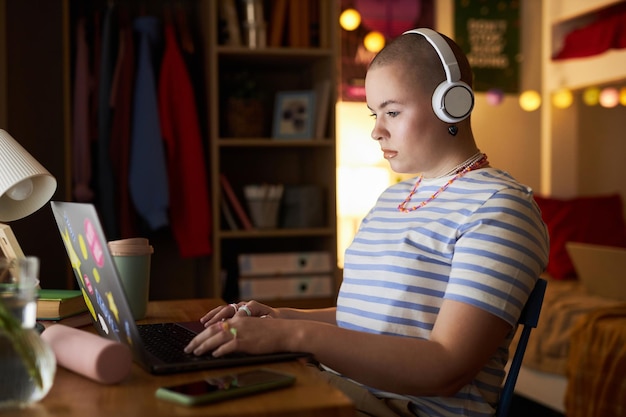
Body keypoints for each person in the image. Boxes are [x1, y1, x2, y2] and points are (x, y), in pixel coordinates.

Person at [185, 28, 549, 417]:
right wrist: (280, 317)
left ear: (452, 105)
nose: (377, 130)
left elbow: (446, 367)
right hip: (341, 389)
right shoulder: (393, 197)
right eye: (375, 114)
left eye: (392, 112)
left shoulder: (500, 208)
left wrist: (292, 335)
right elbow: (369, 317)